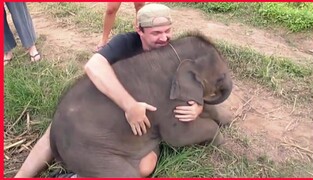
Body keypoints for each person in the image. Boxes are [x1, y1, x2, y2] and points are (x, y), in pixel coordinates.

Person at [14, 3, 203, 178]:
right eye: (156, 33)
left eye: (167, 31)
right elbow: (93, 66)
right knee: (59, 128)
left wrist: (198, 107)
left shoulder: (174, 52)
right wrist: (129, 105)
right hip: (111, 104)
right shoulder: (126, 42)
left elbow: (194, 81)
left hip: (145, 123)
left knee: (145, 167)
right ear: (139, 30)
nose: (164, 38)